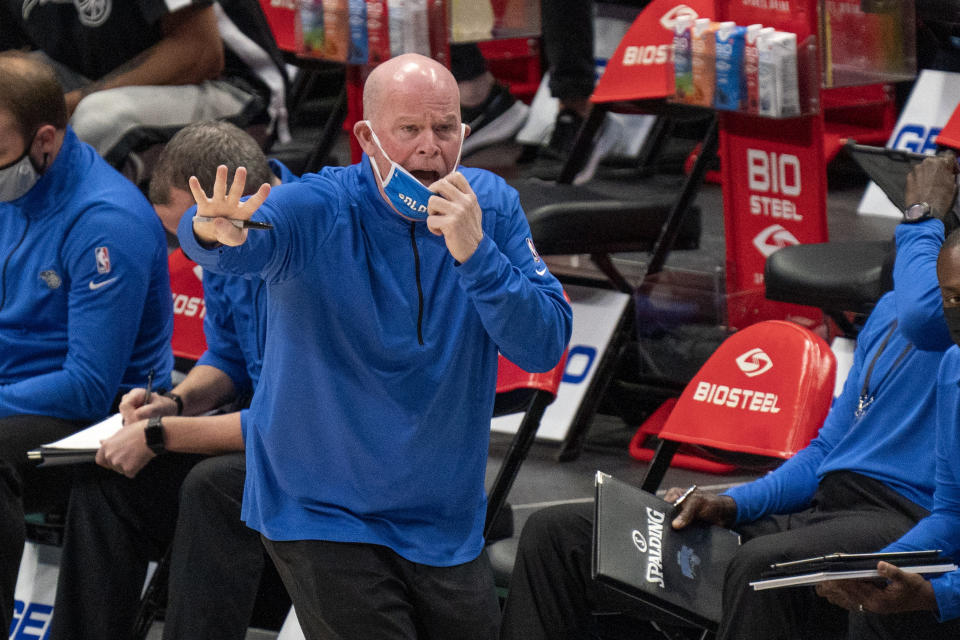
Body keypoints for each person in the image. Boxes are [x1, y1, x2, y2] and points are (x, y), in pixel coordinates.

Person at [178, 52, 571, 639]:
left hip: (443, 517)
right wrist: (211, 229)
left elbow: (544, 345)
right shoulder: (319, 206)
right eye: (409, 130)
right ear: (367, 136)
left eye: (444, 129)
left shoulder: (490, 208)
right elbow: (240, 240)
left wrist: (477, 256)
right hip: (322, 509)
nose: (429, 148)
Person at [498, 151, 960, 640]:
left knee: (759, 568)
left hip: (896, 516)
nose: (951, 304)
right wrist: (735, 503)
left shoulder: (938, 330)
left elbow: (922, 316)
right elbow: (826, 451)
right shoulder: (891, 312)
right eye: (950, 294)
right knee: (561, 536)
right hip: (823, 510)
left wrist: (921, 214)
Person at [48, 120, 296, 640]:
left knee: (215, 487)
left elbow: (291, 425)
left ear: (226, 197)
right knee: (108, 476)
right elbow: (229, 355)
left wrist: (162, 436)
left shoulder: (303, 252)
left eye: (191, 230)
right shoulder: (227, 235)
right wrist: (175, 404)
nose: (189, 249)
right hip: (258, 435)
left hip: (317, 452)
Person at [0, 52, 172, 634]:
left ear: (44, 140)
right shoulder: (11, 187)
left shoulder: (104, 221)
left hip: (96, 416)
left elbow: (86, 386)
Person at [815, 231, 960, 639]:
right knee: (875, 602)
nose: (956, 317)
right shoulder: (953, 366)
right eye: (950, 300)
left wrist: (940, 595)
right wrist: (876, 567)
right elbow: (952, 513)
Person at [0, 0, 288, 170]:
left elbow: (200, 53)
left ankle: (77, 249)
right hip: (102, 77)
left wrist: (70, 102)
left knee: (96, 118)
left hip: (235, 89)